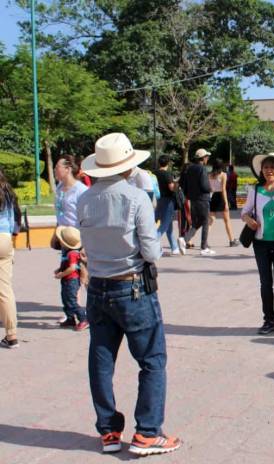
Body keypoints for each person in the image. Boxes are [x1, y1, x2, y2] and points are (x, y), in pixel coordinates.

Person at [77, 132, 181, 456]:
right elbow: (151, 251)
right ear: (128, 166)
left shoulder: (84, 199)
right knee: (152, 360)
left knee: (101, 359)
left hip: (97, 287)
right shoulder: (136, 198)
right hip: (132, 285)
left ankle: (108, 429)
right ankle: (148, 432)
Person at [241, 153, 274, 334]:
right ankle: (268, 320)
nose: (269, 170)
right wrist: (249, 220)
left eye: (273, 167)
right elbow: (244, 212)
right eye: (266, 167)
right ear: (261, 171)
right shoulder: (255, 190)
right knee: (265, 282)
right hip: (261, 243)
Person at [178, 149, 214, 255]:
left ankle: (184, 239)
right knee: (206, 221)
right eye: (206, 157)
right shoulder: (202, 169)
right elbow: (204, 185)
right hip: (203, 199)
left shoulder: (190, 168)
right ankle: (204, 247)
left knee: (196, 223)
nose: (207, 158)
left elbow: (185, 184)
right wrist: (210, 189)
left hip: (193, 199)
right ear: (202, 158)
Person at [53, 226, 88, 331]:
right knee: (65, 299)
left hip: (71, 280)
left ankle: (83, 319)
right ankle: (70, 318)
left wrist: (61, 274)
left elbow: (72, 268)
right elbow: (67, 265)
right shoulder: (68, 252)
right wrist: (59, 269)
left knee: (71, 301)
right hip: (67, 280)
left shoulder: (72, 253)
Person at [0, 170, 20, 349]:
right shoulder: (7, 191)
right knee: (5, 290)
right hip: (5, 239)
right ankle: (11, 335)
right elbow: (14, 219)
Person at [153, 155, 182, 256]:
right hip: (168, 201)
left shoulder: (154, 173)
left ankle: (174, 247)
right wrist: (176, 184)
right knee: (164, 225)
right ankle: (152, 244)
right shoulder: (167, 174)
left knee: (168, 226)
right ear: (168, 163)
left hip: (158, 199)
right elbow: (171, 188)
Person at [208, 158, 238, 247]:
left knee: (211, 220)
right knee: (227, 220)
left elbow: (209, 188)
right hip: (221, 197)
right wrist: (226, 203)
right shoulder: (223, 175)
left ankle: (204, 240)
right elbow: (223, 189)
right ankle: (231, 240)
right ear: (221, 166)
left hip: (213, 197)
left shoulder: (209, 175)